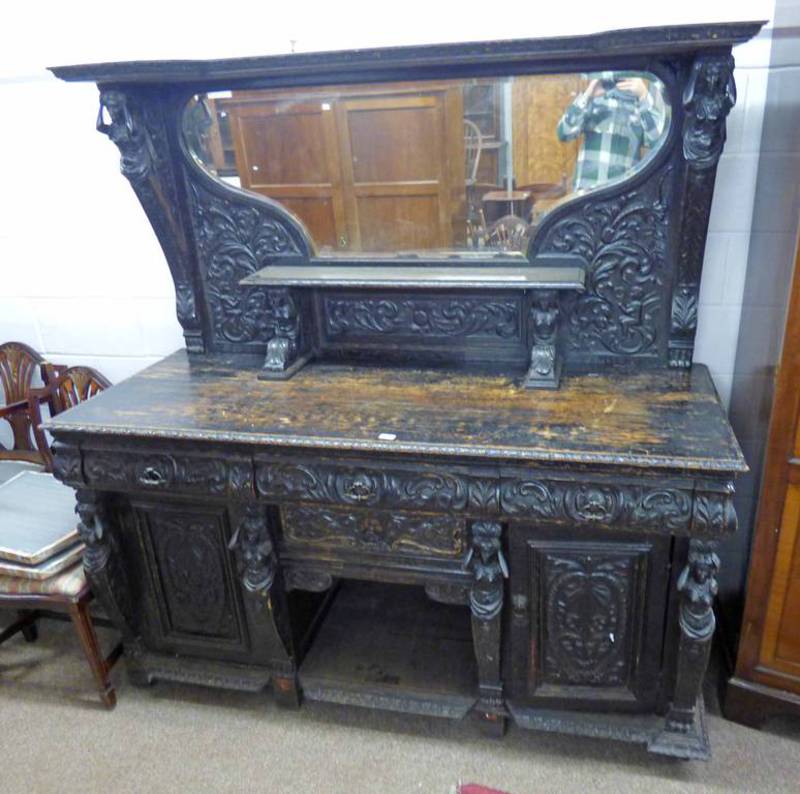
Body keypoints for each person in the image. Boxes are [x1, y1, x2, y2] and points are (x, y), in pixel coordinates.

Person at [557, 72, 667, 191]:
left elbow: (658, 142)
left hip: (621, 196)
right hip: (586, 194)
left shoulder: (641, 106)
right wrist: (587, 96)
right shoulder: (593, 101)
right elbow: (564, 133)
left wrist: (643, 95)